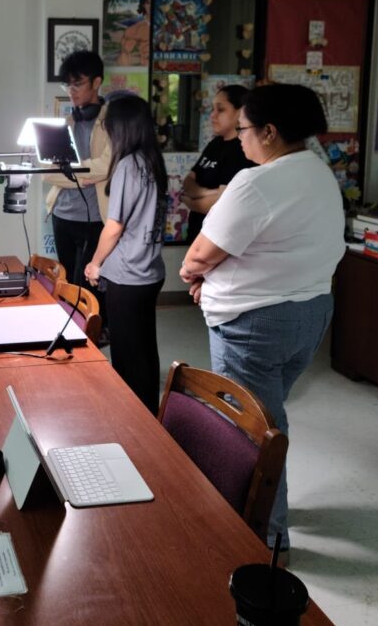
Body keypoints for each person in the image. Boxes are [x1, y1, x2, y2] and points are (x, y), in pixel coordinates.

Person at [179, 83, 346, 554]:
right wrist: (208, 277)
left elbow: (198, 256)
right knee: (269, 415)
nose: (241, 138)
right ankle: (266, 509)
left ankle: (264, 538)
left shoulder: (257, 182)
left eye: (245, 129)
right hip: (310, 315)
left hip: (255, 324)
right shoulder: (318, 172)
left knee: (254, 429)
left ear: (270, 132)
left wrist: (198, 275)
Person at [83, 94, 167, 413]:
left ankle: (132, 418)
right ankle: (149, 412)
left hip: (127, 274)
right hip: (150, 271)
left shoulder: (128, 166)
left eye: (108, 124)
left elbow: (114, 227)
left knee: (127, 353)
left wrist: (95, 264)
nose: (106, 130)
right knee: (146, 348)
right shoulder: (152, 161)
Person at [45, 50, 112, 290]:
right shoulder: (67, 123)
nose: (71, 91)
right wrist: (83, 178)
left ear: (96, 82)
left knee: (86, 285)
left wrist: (70, 172)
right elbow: (47, 170)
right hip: (61, 215)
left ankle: (92, 328)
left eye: (78, 84)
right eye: (67, 85)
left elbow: (106, 165)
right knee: (66, 283)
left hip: (95, 219)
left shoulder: (111, 122)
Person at [180, 84, 253, 242]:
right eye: (212, 109)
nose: (212, 115)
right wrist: (207, 193)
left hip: (221, 242)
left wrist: (192, 202)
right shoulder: (215, 144)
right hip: (197, 234)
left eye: (220, 110)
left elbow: (222, 204)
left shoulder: (243, 150)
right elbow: (187, 182)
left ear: (240, 112)